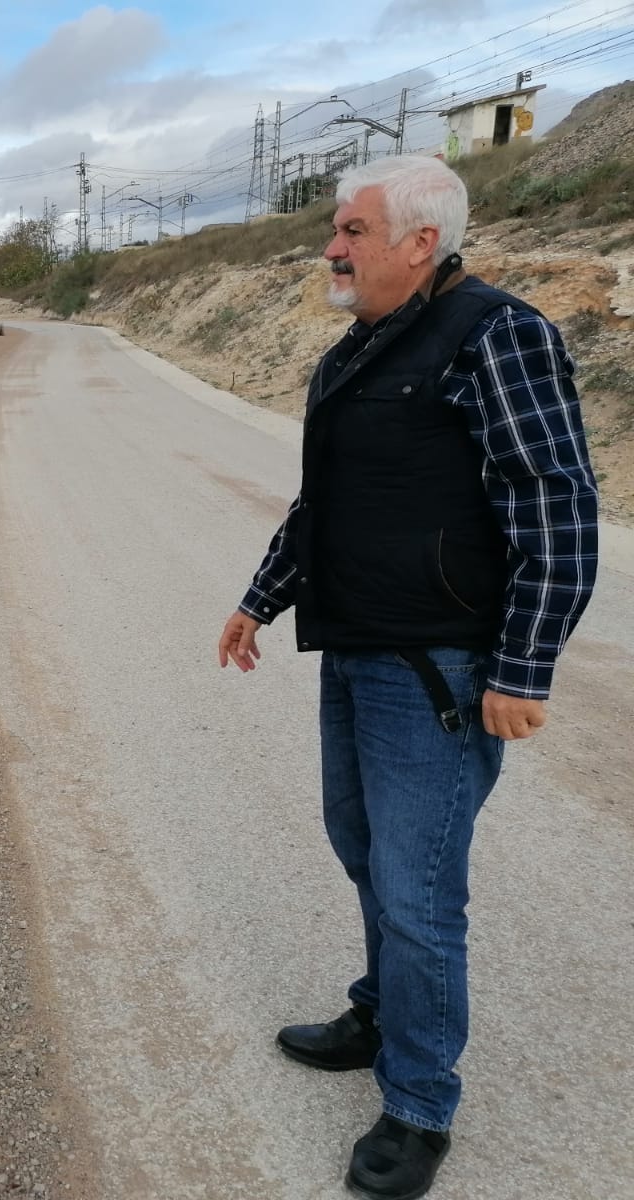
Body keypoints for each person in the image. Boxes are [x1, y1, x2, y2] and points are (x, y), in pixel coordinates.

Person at [217, 154, 598, 1200]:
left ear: (421, 241)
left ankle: (419, 1104)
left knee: (418, 893)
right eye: (336, 230)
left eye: (352, 230)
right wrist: (262, 597)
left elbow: (555, 507)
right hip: (356, 648)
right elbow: (326, 502)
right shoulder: (360, 347)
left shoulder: (497, 335)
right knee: (363, 850)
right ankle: (382, 1012)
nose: (331, 248)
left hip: (439, 669)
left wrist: (522, 668)